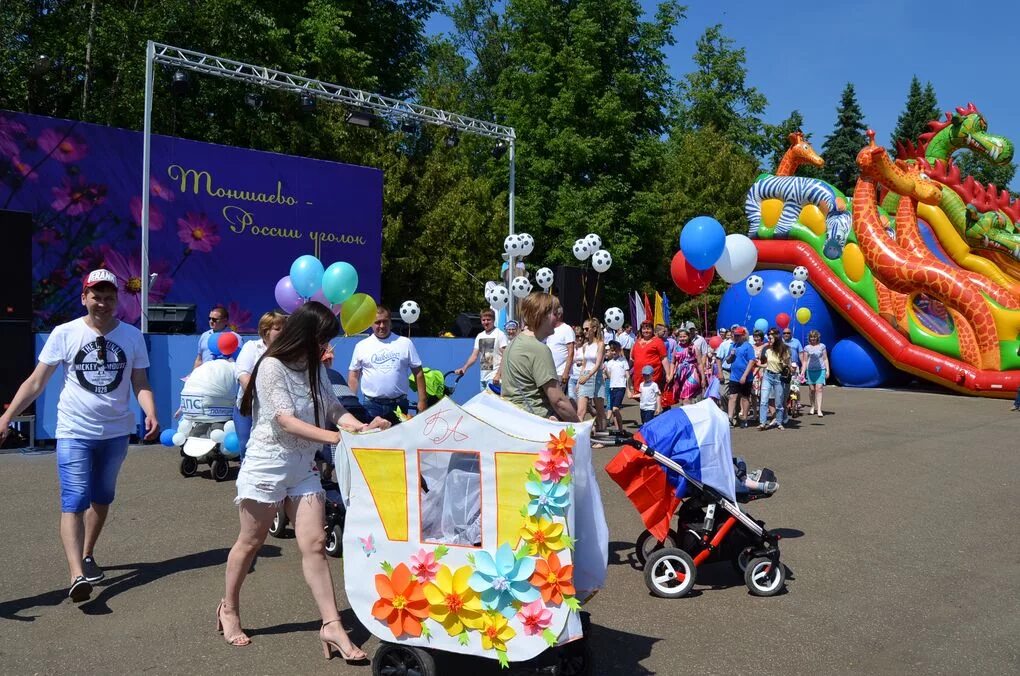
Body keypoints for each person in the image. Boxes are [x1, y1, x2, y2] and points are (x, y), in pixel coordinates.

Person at [221, 301, 390, 654]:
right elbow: (284, 419)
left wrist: (360, 428)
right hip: (267, 465)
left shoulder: (315, 367)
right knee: (250, 543)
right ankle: (229, 609)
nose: (325, 348)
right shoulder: (270, 366)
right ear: (304, 334)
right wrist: (336, 438)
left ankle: (332, 626)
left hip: (302, 466)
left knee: (314, 545)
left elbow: (333, 408)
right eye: (321, 339)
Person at [0, 269, 159, 602]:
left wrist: (150, 412)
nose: (102, 303)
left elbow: (139, 382)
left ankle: (87, 555)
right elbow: (35, 383)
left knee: (102, 496)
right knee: (74, 499)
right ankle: (76, 575)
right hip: (74, 429)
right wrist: (7, 416)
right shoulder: (65, 333)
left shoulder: (131, 337)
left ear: (118, 300)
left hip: (116, 431)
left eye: (109, 297)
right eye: (96, 296)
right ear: (84, 297)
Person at [500, 293, 580, 422]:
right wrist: (580, 428)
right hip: (536, 422)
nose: (558, 319)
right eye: (555, 314)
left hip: (513, 418)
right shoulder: (538, 349)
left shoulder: (514, 344)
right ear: (542, 315)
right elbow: (558, 401)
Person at [347, 306, 428, 421]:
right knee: (372, 438)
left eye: (385, 321)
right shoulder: (361, 346)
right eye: (377, 322)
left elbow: (418, 372)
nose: (382, 326)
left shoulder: (405, 343)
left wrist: (422, 400)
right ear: (371, 323)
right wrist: (352, 402)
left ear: (390, 322)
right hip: (371, 405)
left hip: (399, 404)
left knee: (400, 438)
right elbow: (354, 376)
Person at [233, 310, 286, 461]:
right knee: (246, 446)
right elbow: (242, 374)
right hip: (249, 407)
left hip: (278, 408)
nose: (282, 332)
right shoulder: (251, 347)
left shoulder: (288, 351)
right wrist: (259, 396)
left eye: (284, 329)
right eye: (278, 329)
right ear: (265, 331)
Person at [455, 308, 508, 392]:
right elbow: (474, 356)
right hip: (483, 379)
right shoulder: (480, 336)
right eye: (483, 320)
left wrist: (498, 375)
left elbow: (506, 356)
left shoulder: (500, 334)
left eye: (488, 320)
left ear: (493, 320)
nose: (486, 322)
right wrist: (464, 368)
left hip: (494, 379)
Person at [573, 318, 606, 428]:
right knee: (580, 411)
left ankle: (602, 435)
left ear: (594, 329)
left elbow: (597, 365)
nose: (585, 331)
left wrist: (587, 377)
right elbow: (584, 365)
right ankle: (577, 437)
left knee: (600, 410)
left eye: (587, 329)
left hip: (596, 376)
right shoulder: (585, 346)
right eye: (584, 329)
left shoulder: (600, 344)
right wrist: (578, 381)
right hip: (585, 376)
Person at [758, 329, 792, 431]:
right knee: (764, 400)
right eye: (768, 338)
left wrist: (791, 368)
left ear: (776, 339)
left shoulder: (784, 350)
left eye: (770, 338)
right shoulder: (768, 350)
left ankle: (779, 422)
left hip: (778, 377)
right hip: (767, 376)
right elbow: (767, 364)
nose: (769, 340)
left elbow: (787, 364)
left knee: (779, 402)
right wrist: (759, 364)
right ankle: (762, 423)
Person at [194, 305, 241, 369]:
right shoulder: (204, 335)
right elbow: (199, 359)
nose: (211, 321)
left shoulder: (236, 338)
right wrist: (193, 375)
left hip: (224, 375)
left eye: (214, 319)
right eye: (209, 318)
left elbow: (239, 361)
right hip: (205, 376)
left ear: (225, 321)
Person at [726, 327, 756, 428]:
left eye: (738, 335)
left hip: (746, 377)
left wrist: (744, 376)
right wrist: (731, 355)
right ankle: (730, 418)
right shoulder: (733, 346)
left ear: (743, 336)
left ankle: (744, 418)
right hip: (734, 376)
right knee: (732, 397)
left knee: (745, 398)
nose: (736, 337)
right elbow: (728, 361)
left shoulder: (748, 346)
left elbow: (752, 361)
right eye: (735, 335)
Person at [667, 329, 706, 406]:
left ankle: (688, 415)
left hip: (692, 374)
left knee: (686, 396)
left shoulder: (694, 348)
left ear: (688, 337)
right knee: (681, 398)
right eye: (680, 337)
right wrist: (671, 375)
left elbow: (699, 363)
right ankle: (687, 414)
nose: (682, 338)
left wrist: (703, 378)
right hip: (680, 375)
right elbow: (672, 363)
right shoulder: (676, 348)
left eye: (684, 336)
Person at [630, 321, 669, 395]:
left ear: (652, 330)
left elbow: (664, 359)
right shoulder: (637, 342)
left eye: (648, 328)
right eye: (644, 329)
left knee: (652, 396)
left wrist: (668, 374)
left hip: (653, 375)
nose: (646, 331)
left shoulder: (658, 341)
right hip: (639, 376)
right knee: (641, 398)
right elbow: (632, 358)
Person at [544, 307, 576, 389]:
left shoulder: (567, 329)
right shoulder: (548, 329)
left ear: (558, 315)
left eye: (551, 314)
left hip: (559, 372)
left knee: (557, 400)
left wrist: (566, 372)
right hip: (547, 372)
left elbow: (571, 352)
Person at [603, 340, 630, 435]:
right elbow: (610, 376)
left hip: (621, 387)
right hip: (612, 387)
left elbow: (628, 375)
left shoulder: (623, 361)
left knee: (615, 409)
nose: (614, 352)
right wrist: (605, 371)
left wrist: (628, 389)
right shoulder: (609, 363)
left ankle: (620, 428)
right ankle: (619, 430)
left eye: (615, 350)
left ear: (619, 350)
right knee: (614, 410)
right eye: (612, 350)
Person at [801, 329, 829, 417]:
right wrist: (802, 372)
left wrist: (828, 370)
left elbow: (825, 359)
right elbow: (805, 361)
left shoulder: (822, 346)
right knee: (812, 389)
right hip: (810, 370)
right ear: (809, 338)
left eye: (814, 337)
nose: (813, 339)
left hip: (821, 370)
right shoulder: (807, 348)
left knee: (819, 388)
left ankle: (819, 409)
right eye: (811, 337)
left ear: (817, 338)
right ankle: (812, 406)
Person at [782, 327, 803, 417]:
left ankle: (797, 403)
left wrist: (803, 367)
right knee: (785, 388)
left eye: (788, 333)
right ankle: (785, 405)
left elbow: (801, 354)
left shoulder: (796, 342)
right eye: (784, 333)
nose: (786, 334)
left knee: (795, 387)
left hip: (795, 366)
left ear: (791, 334)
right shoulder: (781, 342)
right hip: (784, 367)